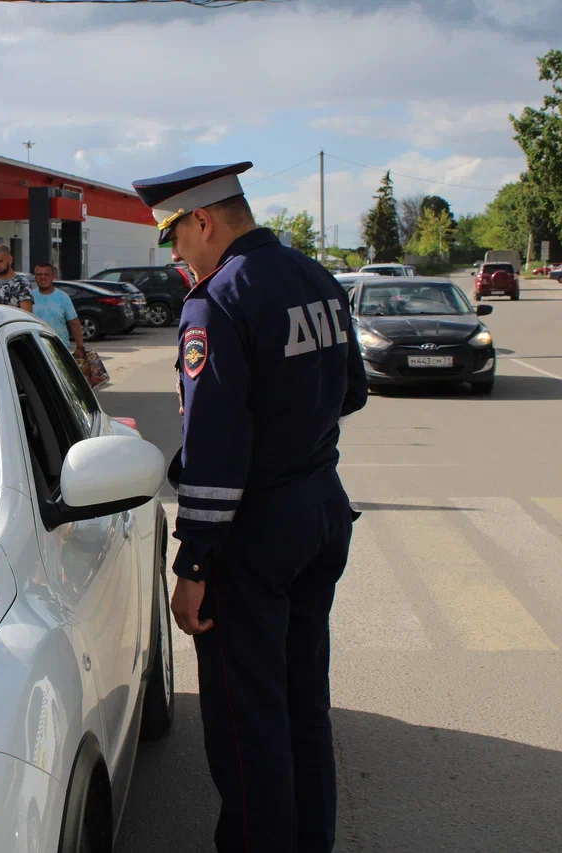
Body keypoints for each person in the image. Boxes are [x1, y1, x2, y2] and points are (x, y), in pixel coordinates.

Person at [131, 161, 368, 853]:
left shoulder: (218, 301)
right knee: (302, 711)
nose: (176, 253)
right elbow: (351, 391)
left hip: (253, 536)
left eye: (175, 235)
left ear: (203, 220)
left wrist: (194, 560)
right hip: (321, 510)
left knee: (247, 731)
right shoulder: (314, 277)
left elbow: (214, 447)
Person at [29, 262, 84, 359]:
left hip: (60, 349)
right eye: (39, 274)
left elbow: (74, 323)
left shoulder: (63, 297)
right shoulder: (29, 298)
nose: (43, 278)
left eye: (46, 274)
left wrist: (80, 347)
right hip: (37, 349)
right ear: (35, 277)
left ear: (53, 276)